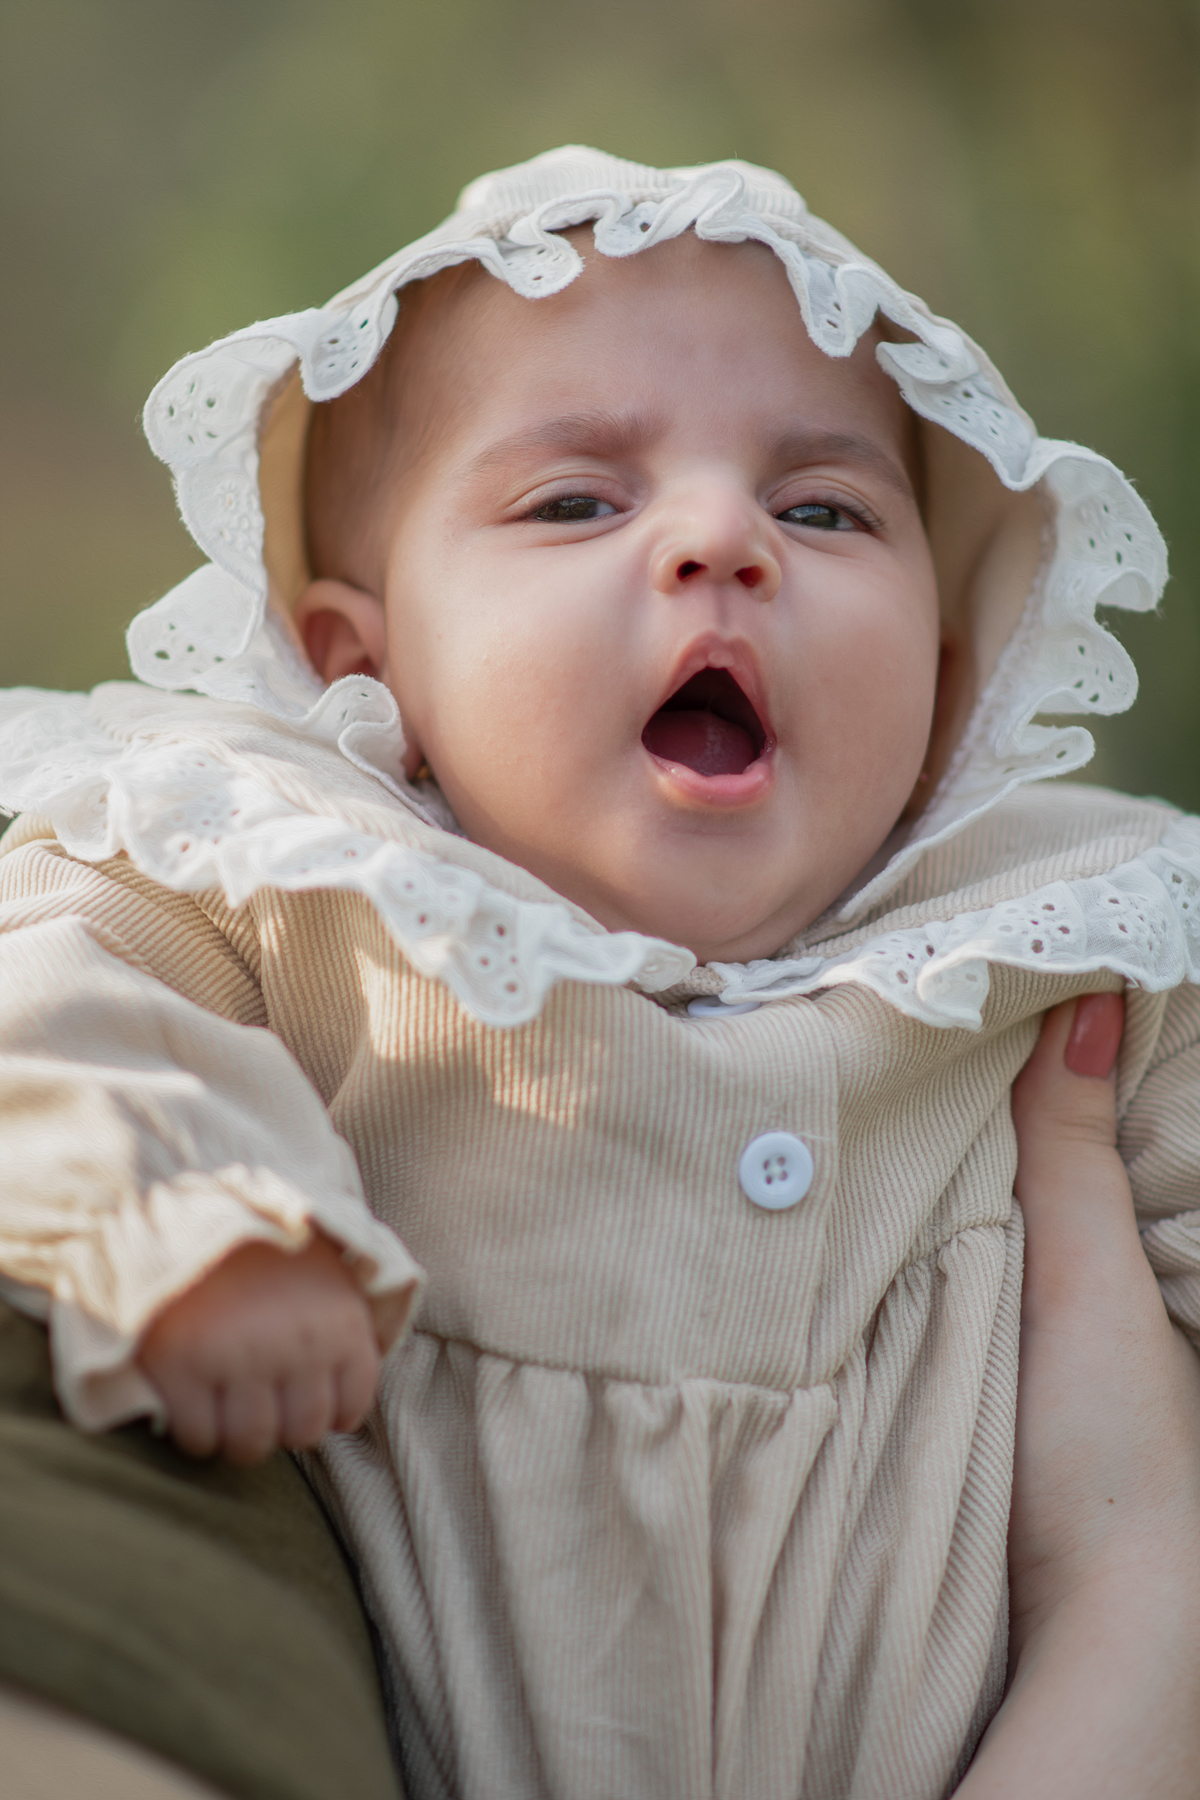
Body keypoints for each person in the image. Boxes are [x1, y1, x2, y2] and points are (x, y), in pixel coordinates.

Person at [1, 145, 1199, 1799]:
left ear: (945, 682)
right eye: (576, 501)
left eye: (824, 507)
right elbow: (53, 997)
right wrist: (198, 1229)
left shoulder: (1063, 938)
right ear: (372, 665)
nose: (723, 539)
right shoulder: (301, 886)